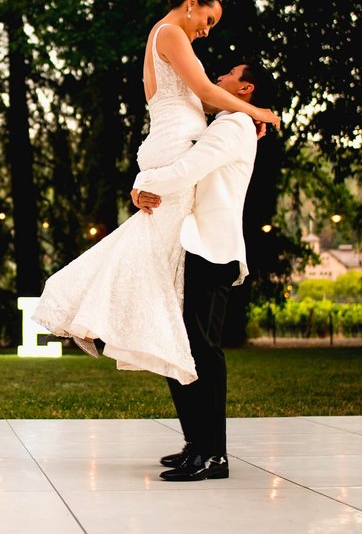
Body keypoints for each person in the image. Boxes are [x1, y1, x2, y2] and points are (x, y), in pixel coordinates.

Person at [30, 0, 279, 385]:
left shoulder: (169, 38)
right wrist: (259, 112)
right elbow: (203, 91)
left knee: (152, 253)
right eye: (208, 20)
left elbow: (209, 99)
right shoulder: (170, 33)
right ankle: (110, 313)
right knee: (156, 261)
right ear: (193, 2)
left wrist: (247, 120)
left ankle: (118, 314)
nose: (207, 30)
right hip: (173, 146)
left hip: (168, 145)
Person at [131, 61, 275, 481]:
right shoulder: (236, 122)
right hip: (198, 246)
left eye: (229, 74)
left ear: (245, 87)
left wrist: (144, 184)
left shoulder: (234, 127)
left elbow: (189, 169)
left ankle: (214, 455)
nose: (219, 77)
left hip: (214, 249)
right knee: (185, 346)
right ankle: (197, 444)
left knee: (203, 352)